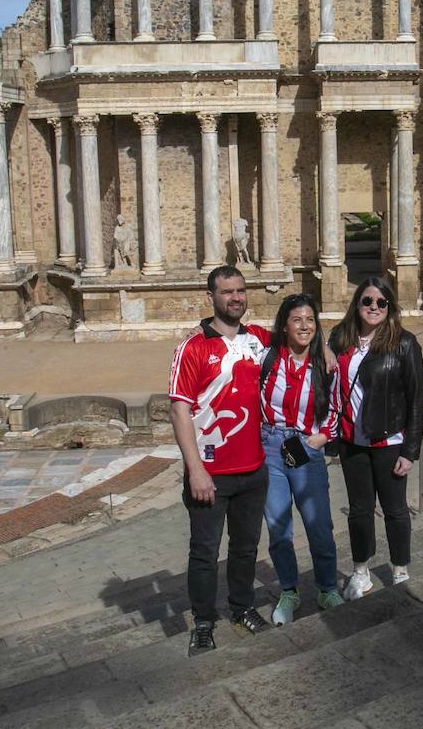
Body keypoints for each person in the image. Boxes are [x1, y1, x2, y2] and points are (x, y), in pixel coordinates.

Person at [168, 265, 272, 655]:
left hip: (253, 468)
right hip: (210, 474)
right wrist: (196, 469)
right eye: (227, 292)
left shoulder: (259, 339)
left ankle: (242, 607)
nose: (236, 298)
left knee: (246, 548)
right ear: (210, 296)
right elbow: (179, 410)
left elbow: (302, 341)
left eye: (240, 290)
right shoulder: (192, 347)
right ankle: (203, 622)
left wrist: (325, 347)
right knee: (205, 553)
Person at [327, 277, 423, 600]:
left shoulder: (405, 343)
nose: (373, 307)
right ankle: (361, 571)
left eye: (381, 302)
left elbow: (416, 400)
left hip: (389, 442)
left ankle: (399, 570)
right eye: (367, 301)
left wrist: (410, 451)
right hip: (351, 442)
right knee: (359, 510)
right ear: (357, 303)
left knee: (395, 509)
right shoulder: (340, 340)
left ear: (389, 307)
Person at [259, 292, 345, 624]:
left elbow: (335, 409)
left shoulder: (325, 364)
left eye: (310, 319)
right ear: (283, 326)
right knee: (278, 527)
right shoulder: (266, 356)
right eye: (296, 319)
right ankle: (289, 591)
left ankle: (326, 587)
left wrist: (318, 440)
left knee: (318, 524)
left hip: (306, 448)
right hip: (270, 447)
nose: (304, 326)